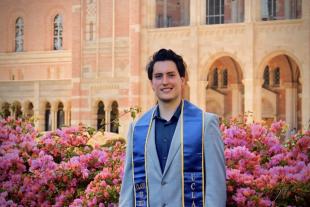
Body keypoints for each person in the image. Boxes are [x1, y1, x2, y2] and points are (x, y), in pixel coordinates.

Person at [120, 49, 226, 207]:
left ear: (182, 80)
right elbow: (129, 189)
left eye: (171, 75)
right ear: (151, 84)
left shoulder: (205, 124)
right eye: (158, 76)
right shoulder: (137, 129)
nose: (165, 81)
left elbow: (215, 189)